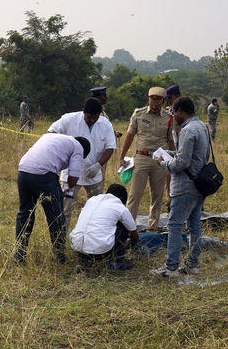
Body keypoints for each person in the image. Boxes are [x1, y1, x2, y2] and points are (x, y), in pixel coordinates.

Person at [151, 97, 210, 277]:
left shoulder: (187, 130)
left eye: (174, 112)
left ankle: (171, 267)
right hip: (200, 185)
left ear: (180, 111)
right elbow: (192, 156)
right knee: (194, 226)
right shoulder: (202, 127)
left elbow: (181, 163)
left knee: (175, 225)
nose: (173, 116)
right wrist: (171, 154)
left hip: (184, 186)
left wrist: (163, 163)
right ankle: (192, 264)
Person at [14, 134, 91, 263]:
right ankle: (60, 257)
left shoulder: (51, 137)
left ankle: (19, 254)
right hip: (44, 175)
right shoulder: (78, 147)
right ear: (84, 152)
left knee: (25, 213)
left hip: (23, 171)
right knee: (56, 216)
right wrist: (67, 189)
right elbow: (73, 177)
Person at [47, 97, 116, 227]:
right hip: (70, 174)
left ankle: (94, 237)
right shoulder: (69, 119)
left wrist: (98, 165)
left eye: (95, 118)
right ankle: (61, 240)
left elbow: (110, 147)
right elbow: (51, 133)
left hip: (94, 175)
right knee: (65, 210)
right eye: (89, 117)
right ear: (83, 112)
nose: (92, 120)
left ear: (99, 114)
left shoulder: (105, 124)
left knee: (98, 210)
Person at [117, 86, 173, 231]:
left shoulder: (169, 117)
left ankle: (152, 228)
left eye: (158, 104)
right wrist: (122, 156)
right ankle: (128, 229)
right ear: (148, 100)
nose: (154, 107)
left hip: (160, 160)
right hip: (141, 158)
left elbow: (170, 140)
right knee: (134, 195)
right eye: (152, 103)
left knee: (157, 195)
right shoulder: (138, 114)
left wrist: (173, 160)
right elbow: (129, 136)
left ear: (162, 102)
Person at [70, 183, 139, 270]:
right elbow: (135, 235)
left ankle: (83, 260)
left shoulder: (91, 200)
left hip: (77, 247)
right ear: (121, 198)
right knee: (123, 226)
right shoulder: (120, 207)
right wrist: (127, 247)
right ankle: (116, 262)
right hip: (99, 252)